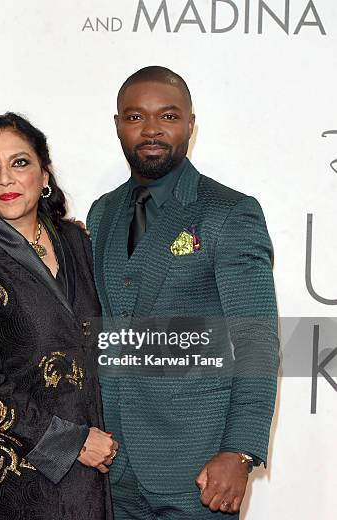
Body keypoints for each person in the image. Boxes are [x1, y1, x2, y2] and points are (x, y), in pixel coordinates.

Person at [86, 66, 279, 519]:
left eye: (168, 116)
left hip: (201, 469)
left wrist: (240, 452)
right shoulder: (102, 213)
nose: (151, 129)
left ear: (191, 123)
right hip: (111, 469)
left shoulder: (231, 212)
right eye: (135, 117)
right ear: (117, 124)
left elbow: (255, 341)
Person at [0, 113, 116, 519]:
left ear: (43, 172)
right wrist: (70, 443)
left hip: (93, 461)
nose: (5, 180)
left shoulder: (75, 242)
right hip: (16, 475)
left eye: (19, 163)